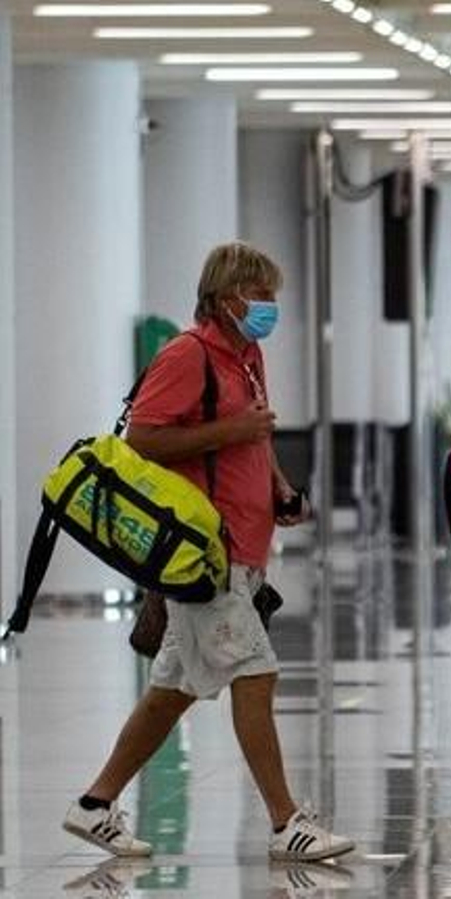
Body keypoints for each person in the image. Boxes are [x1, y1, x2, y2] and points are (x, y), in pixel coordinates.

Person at [63, 242, 354, 862]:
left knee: (172, 688)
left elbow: (256, 433)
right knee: (257, 671)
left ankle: (94, 805)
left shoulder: (246, 356)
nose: (271, 307)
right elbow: (141, 439)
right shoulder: (187, 354)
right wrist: (232, 432)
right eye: (262, 295)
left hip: (243, 546)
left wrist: (278, 489)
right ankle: (286, 824)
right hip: (202, 553)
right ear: (227, 299)